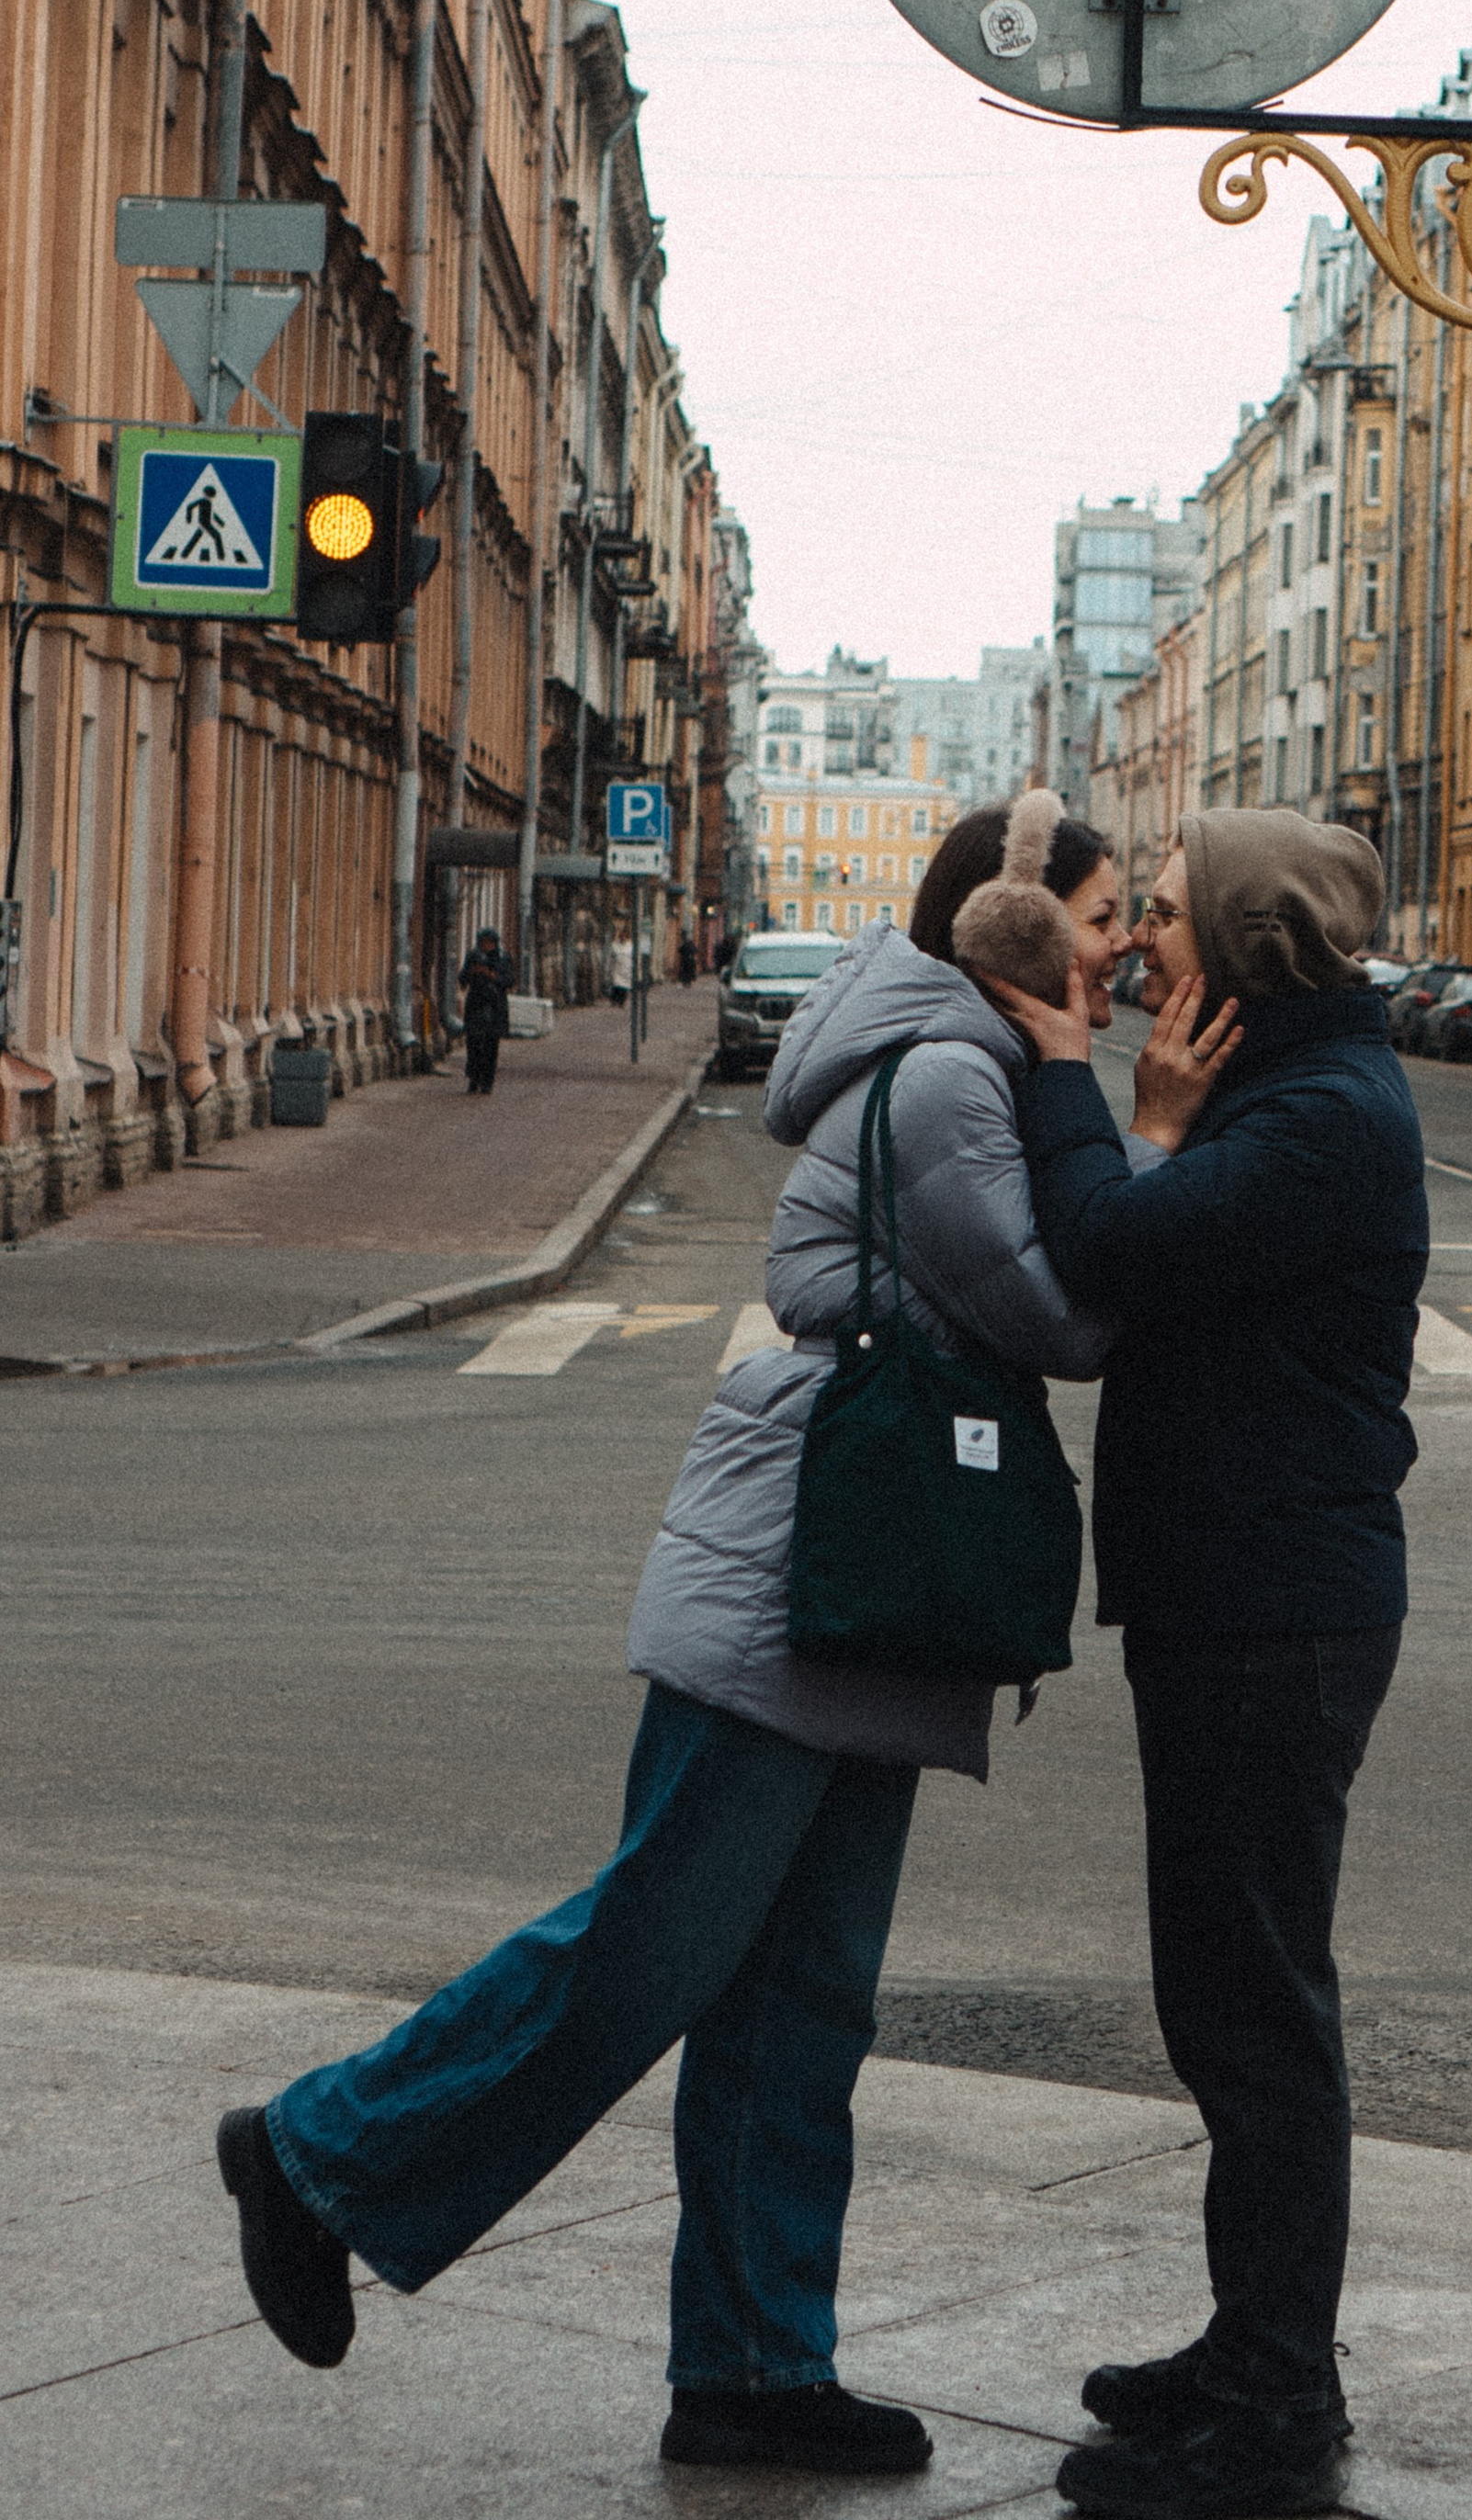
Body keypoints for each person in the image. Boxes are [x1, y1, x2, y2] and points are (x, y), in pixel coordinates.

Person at [216, 797, 1136, 2475]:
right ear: (1014, 927)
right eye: (1099, 913)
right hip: (810, 1574)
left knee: (802, 1999)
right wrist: (1110, 1105)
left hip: (876, 1585)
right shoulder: (952, 1078)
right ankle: (316, 2154)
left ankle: (754, 2366)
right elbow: (1061, 1315)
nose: (1124, 941)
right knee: (656, 1942)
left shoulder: (971, 1070)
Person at [989, 811, 1426, 2520]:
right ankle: (1246, 2348)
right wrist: (1166, 1121)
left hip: (1276, 1610)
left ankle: (1276, 2395)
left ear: (1250, 943)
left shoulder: (1319, 1118)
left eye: (1164, 916)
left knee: (1256, 2015)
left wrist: (1103, 1100)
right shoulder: (1290, 1092)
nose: (1140, 945)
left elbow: (1111, 1247)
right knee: (1227, 2000)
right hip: (1236, 1598)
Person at [456, 928, 513, 1096]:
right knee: (473, 1043)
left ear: (494, 943)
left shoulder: (503, 958)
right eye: (482, 943)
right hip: (476, 1006)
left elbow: (510, 980)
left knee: (491, 1046)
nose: (485, 946)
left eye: (488, 943)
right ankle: (474, 1078)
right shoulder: (473, 956)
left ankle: (487, 1081)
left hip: (495, 1007)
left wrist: (492, 976)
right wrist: (471, 972)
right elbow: (462, 979)